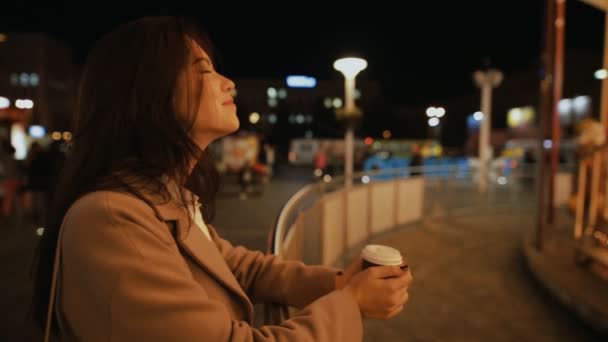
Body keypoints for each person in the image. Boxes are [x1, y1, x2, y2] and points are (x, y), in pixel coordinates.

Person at [32, 17, 412, 341]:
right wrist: (351, 303)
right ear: (148, 94)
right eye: (204, 71)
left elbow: (240, 267)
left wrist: (340, 283)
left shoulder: (163, 197)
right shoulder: (112, 218)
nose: (228, 82)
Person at [1, 139, 18, 217]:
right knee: (9, 198)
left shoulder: (4, 159)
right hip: (11, 180)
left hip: (7, 180)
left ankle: (6, 213)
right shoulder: (12, 160)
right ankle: (7, 212)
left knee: (7, 198)